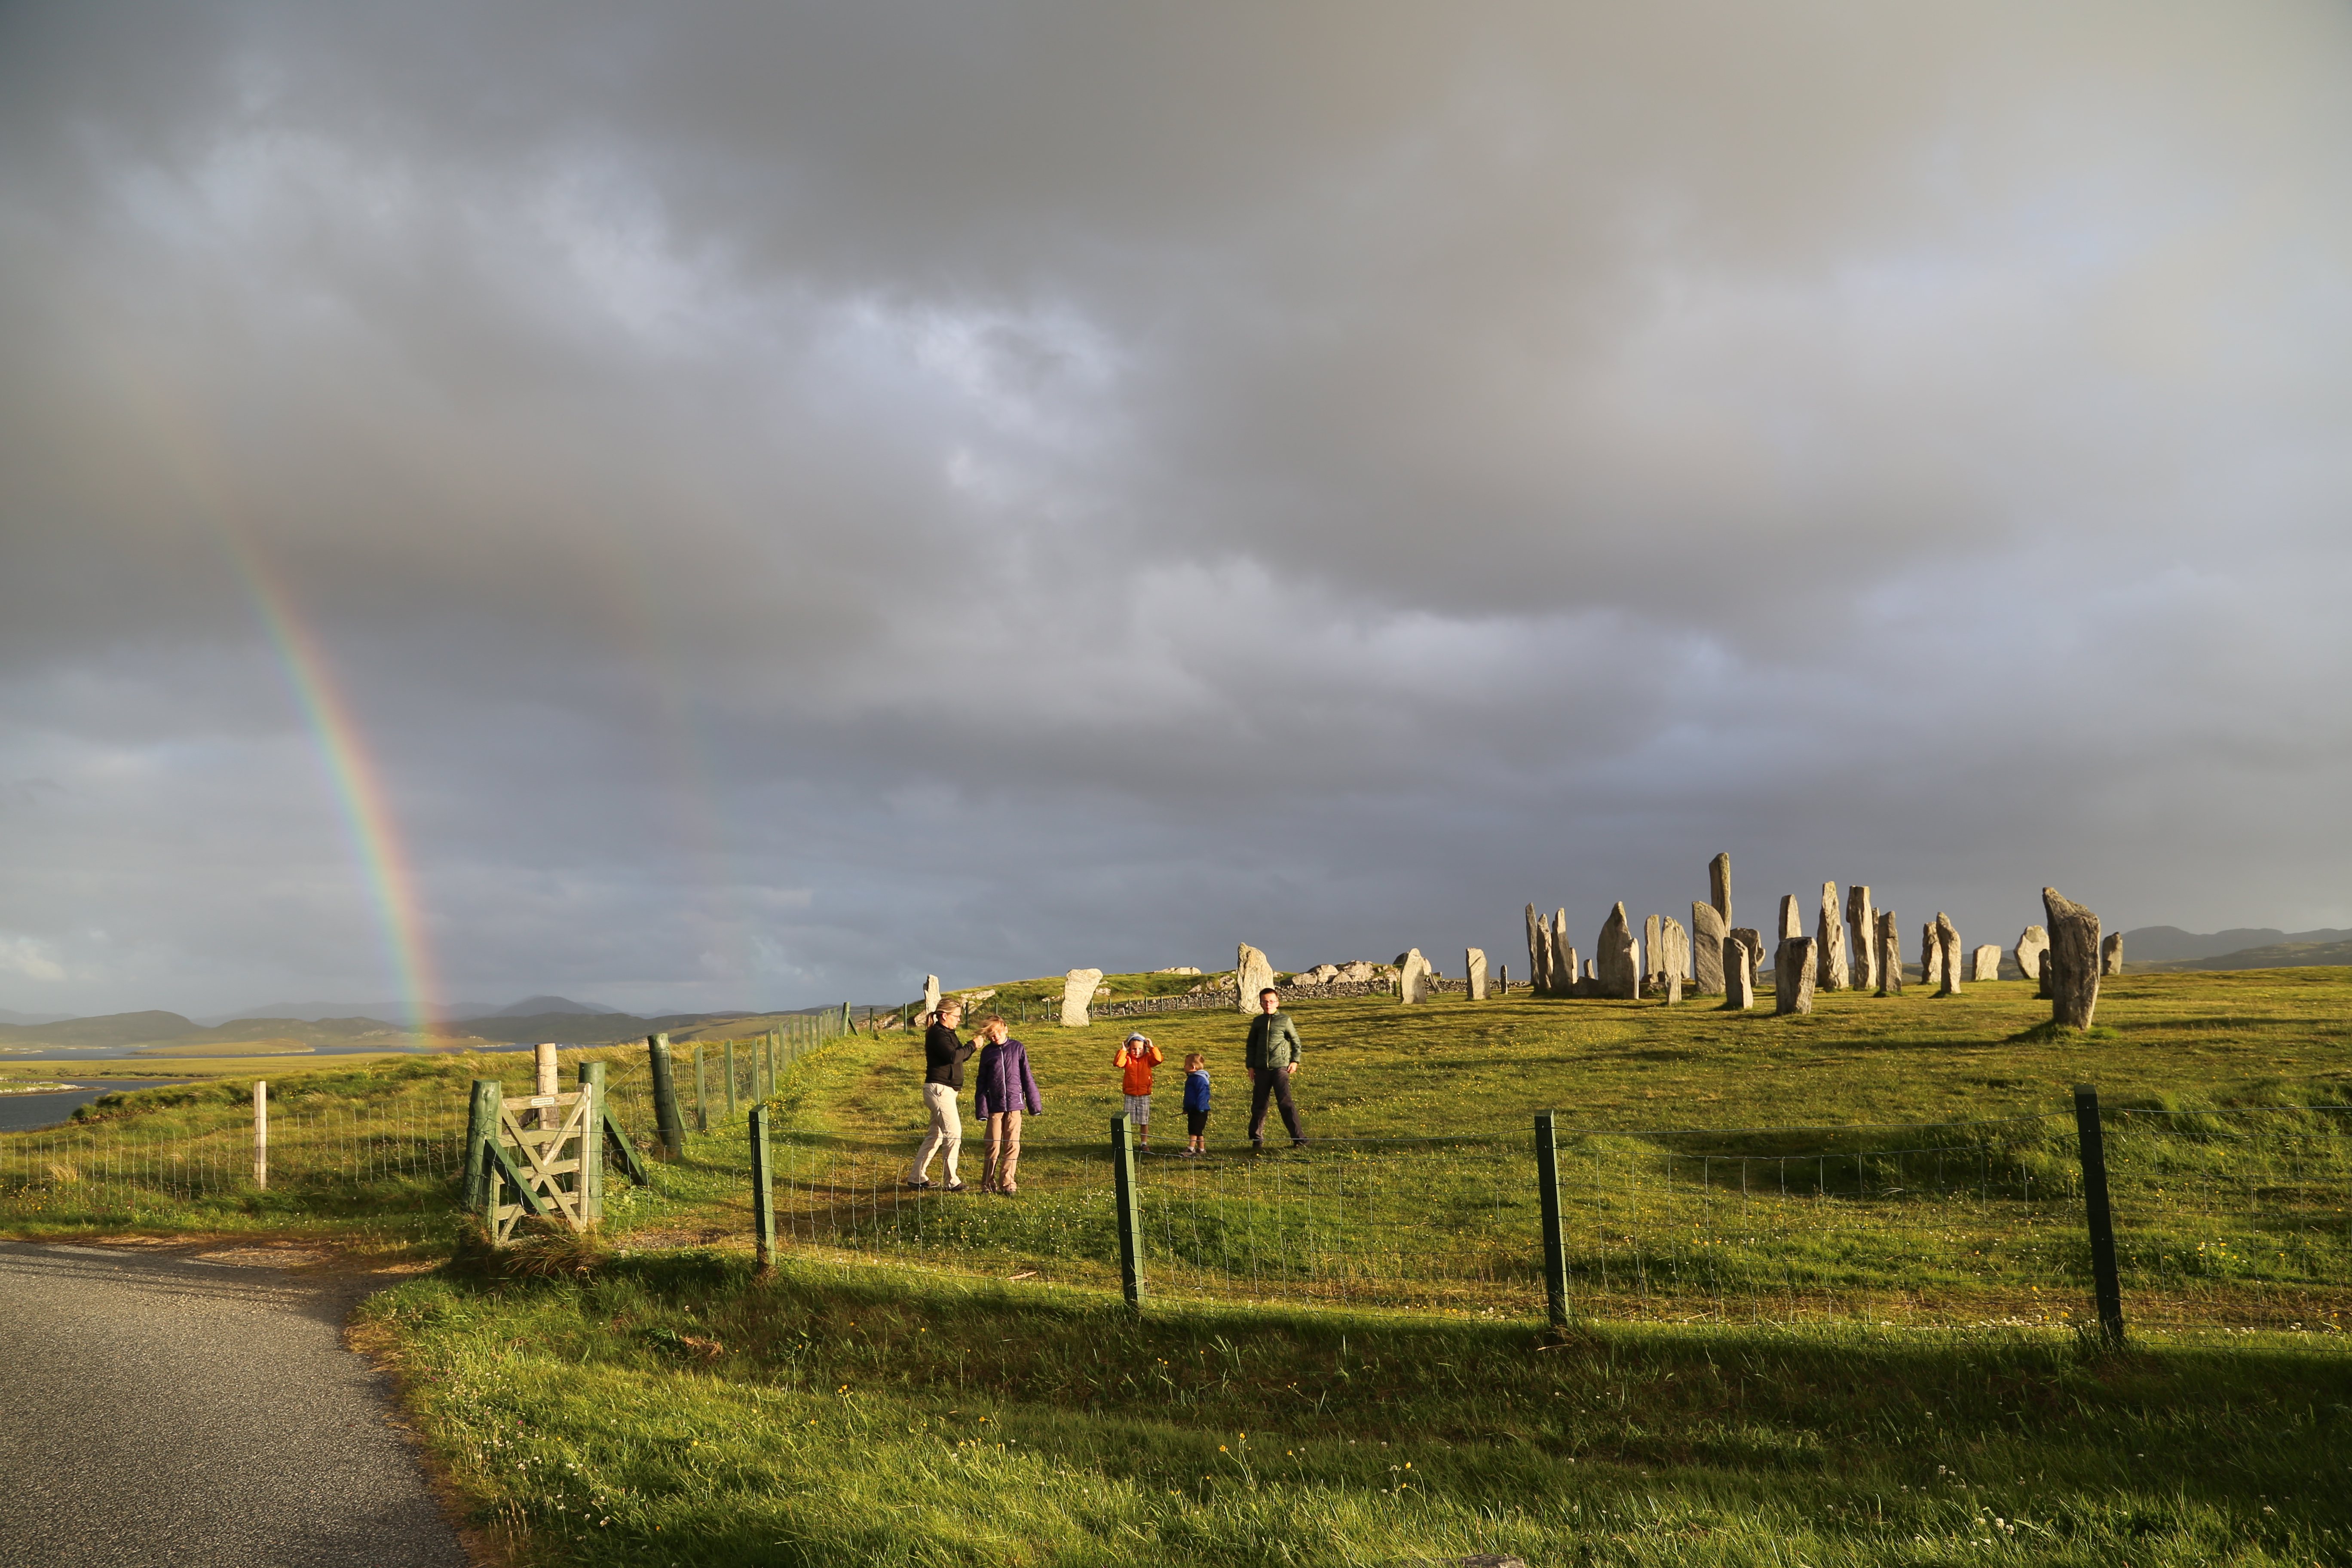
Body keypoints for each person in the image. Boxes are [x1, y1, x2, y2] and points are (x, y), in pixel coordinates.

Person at [906, 997, 974, 1191]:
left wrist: (970, 1047)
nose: (959, 1020)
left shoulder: (947, 1033)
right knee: (954, 1133)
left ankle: (916, 1177)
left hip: (945, 1090)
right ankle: (952, 1181)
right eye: (957, 1016)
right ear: (945, 1016)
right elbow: (953, 1056)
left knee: (935, 1135)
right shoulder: (938, 1034)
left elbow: (960, 1056)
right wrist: (972, 1045)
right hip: (940, 1090)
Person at [970, 1014, 1042, 1194]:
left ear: (1006, 1029)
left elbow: (1027, 1077)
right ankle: (987, 1184)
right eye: (991, 1034)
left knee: (1012, 1145)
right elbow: (982, 1083)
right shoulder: (987, 1053)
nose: (996, 1036)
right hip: (995, 1107)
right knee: (993, 1145)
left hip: (1015, 1106)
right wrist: (982, 1109)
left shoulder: (1018, 1048)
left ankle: (1008, 1184)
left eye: (999, 1032)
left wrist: (1034, 1106)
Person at [1244, 986, 1306, 1148]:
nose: (1268, 1004)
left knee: (1285, 1103)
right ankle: (1256, 1140)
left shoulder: (1285, 1020)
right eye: (1265, 1001)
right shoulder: (1258, 1021)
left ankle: (1299, 1139)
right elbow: (1251, 1045)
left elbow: (1296, 1042)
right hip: (1260, 1069)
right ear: (1261, 1003)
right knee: (1259, 1105)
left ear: (1277, 1003)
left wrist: (1295, 1061)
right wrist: (1251, 1066)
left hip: (1281, 1068)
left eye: (1271, 1001)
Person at [1113, 1030, 1163, 1149]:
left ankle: (1144, 1143)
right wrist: (1123, 1050)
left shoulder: (1148, 1058)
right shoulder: (1128, 1058)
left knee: (1144, 1120)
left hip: (1144, 1094)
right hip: (1130, 1094)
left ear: (1144, 1048)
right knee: (1127, 1120)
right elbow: (1118, 1063)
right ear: (1130, 1048)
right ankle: (1126, 1142)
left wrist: (1152, 1047)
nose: (1137, 1052)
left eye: (1140, 1049)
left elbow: (1159, 1060)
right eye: (1134, 1049)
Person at [1181, 1052, 1211, 1155]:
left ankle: (1191, 1149)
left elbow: (1203, 1094)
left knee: (1194, 1130)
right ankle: (1202, 1149)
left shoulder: (1199, 1079)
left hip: (1199, 1109)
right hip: (1193, 1109)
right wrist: (1187, 1108)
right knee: (1198, 1130)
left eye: (1186, 1064)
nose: (1184, 1066)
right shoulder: (1193, 1078)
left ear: (1193, 1067)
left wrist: (1200, 1108)